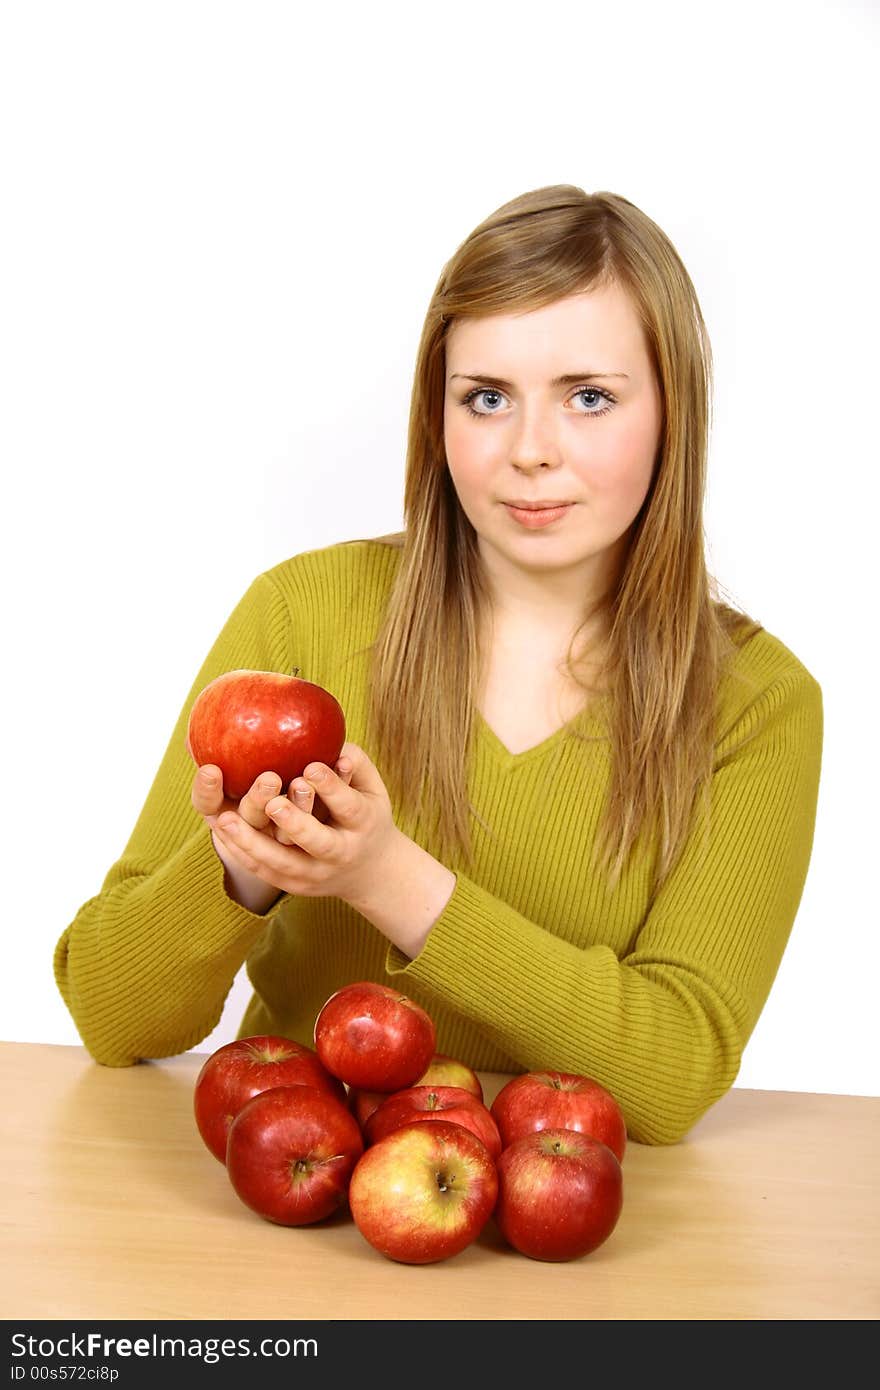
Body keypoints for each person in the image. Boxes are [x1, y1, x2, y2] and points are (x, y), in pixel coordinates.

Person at [54, 185, 823, 1146]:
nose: (531, 452)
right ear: (439, 414)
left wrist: (385, 876)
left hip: (562, 1256)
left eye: (589, 397)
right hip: (292, 1218)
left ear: (675, 412)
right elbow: (111, 1015)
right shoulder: (302, 614)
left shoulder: (758, 703)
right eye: (487, 398)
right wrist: (245, 869)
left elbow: (672, 1077)